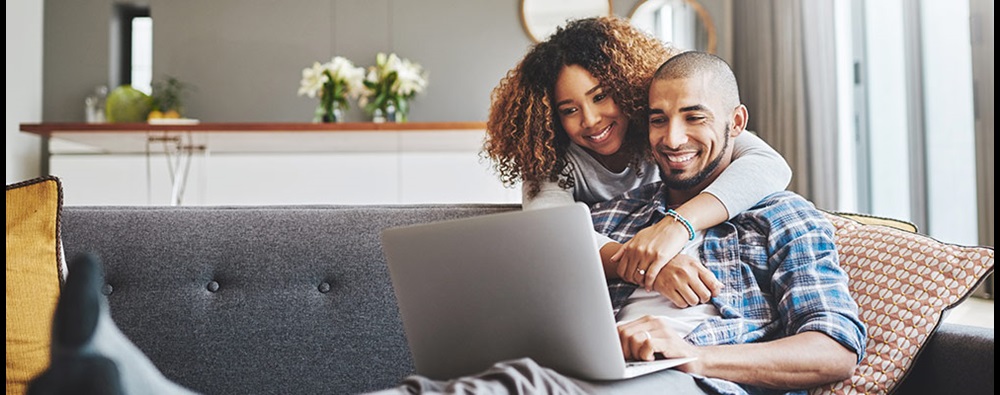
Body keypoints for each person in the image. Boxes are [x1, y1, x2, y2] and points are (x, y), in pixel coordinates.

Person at [377, 51, 867, 395]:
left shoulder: (783, 216)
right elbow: (544, 265)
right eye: (658, 119)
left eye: (694, 117)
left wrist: (690, 356)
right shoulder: (612, 216)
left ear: (736, 123)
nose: (673, 138)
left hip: (692, 380)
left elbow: (835, 349)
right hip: (580, 374)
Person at [483, 16, 792, 301]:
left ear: (626, 87)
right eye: (569, 110)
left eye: (600, 96)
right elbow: (549, 232)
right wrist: (645, 265)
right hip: (612, 285)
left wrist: (678, 224)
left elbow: (770, 165)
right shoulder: (550, 158)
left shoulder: (664, 128)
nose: (590, 120)